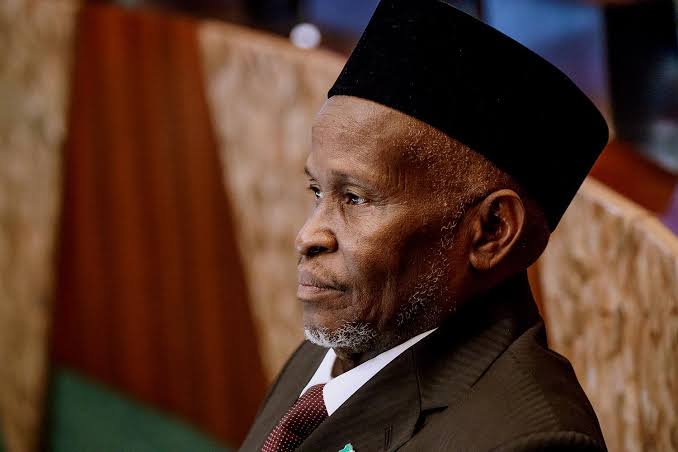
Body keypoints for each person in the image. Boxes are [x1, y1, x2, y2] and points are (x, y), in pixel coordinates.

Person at [241, 0, 609, 450]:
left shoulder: (530, 442)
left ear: (491, 231)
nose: (307, 237)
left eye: (355, 198)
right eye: (317, 191)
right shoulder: (344, 339)